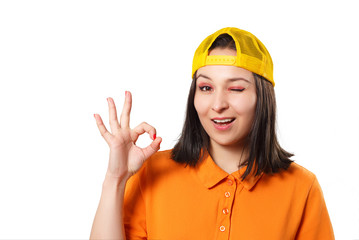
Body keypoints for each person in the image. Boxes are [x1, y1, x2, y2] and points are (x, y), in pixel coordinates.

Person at [90, 27, 335, 239]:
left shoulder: (302, 187)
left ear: (263, 98)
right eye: (206, 87)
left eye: (236, 88)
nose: (218, 104)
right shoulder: (152, 173)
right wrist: (116, 178)